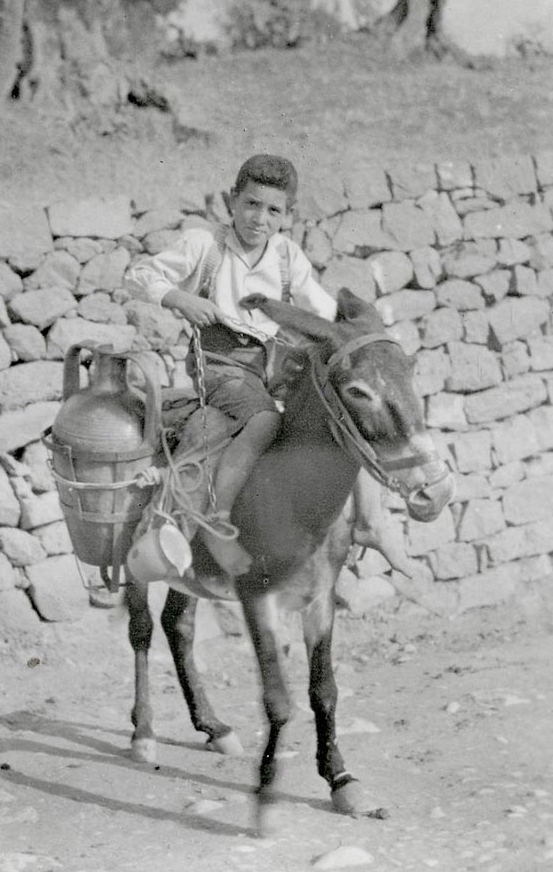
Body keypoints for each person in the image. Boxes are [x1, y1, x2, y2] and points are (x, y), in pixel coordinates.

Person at [125, 153, 402, 577]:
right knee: (263, 422)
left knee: (349, 408)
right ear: (231, 201)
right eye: (251, 204)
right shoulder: (205, 246)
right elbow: (140, 275)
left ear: (287, 216)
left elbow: (324, 311)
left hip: (277, 365)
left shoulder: (288, 257)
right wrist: (182, 298)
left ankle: (370, 520)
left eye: (273, 210)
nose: (259, 218)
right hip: (222, 366)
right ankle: (216, 521)